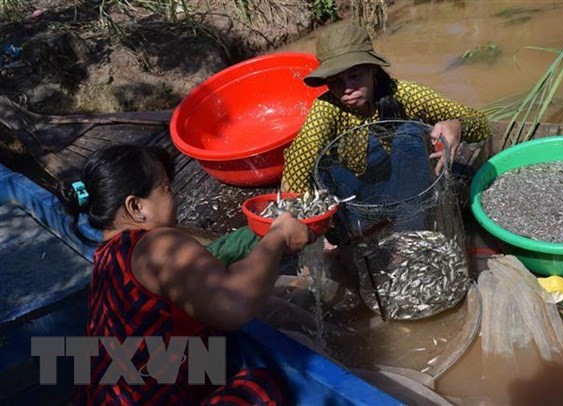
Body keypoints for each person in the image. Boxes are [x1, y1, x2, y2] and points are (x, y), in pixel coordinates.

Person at [59, 144, 314, 405]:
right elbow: (234, 305)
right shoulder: (155, 244)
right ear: (136, 207)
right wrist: (279, 236)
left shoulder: (106, 257)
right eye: (166, 188)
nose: (175, 197)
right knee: (258, 387)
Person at [281, 22, 492, 194]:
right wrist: (294, 210)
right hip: (353, 187)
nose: (347, 89)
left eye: (355, 76)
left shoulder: (404, 93)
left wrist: (457, 125)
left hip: (405, 179)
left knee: (408, 135)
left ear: (373, 69)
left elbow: (481, 124)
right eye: (336, 80)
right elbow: (303, 154)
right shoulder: (326, 108)